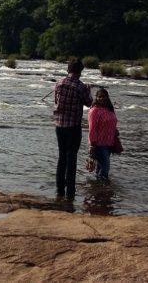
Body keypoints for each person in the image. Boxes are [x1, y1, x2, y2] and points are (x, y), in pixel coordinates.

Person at [53, 59, 92, 199]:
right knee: (72, 158)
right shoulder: (81, 87)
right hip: (74, 127)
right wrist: (88, 91)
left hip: (59, 125)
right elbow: (89, 104)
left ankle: (59, 190)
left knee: (62, 157)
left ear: (68, 69)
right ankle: (70, 192)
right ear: (80, 72)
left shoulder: (59, 83)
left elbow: (56, 102)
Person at [88, 88, 117, 181]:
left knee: (101, 167)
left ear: (107, 98)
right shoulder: (94, 110)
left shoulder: (109, 109)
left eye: (104, 97)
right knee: (105, 167)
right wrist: (92, 144)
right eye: (99, 97)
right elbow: (92, 128)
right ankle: (103, 188)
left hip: (109, 143)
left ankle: (97, 188)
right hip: (98, 143)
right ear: (96, 98)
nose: (102, 99)